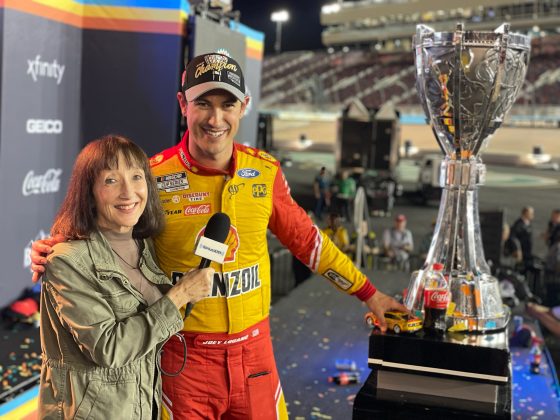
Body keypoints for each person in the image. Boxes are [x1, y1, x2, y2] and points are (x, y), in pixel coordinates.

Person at [32, 53, 407, 420]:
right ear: (183, 104)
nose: (216, 118)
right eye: (203, 104)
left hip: (254, 353)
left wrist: (369, 294)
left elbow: (309, 243)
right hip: (182, 356)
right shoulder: (152, 177)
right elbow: (104, 229)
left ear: (244, 106)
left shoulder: (264, 171)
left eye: (227, 104)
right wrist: (56, 246)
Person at [38, 136, 214, 419]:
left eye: (136, 177)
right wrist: (179, 295)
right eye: (111, 180)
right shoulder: (67, 261)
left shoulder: (146, 246)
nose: (128, 192)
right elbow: (109, 349)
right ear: (89, 192)